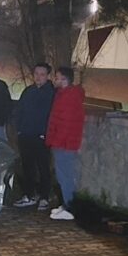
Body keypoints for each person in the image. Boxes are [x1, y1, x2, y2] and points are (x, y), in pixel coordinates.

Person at [11, 62, 55, 210]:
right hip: (26, 134)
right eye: (36, 74)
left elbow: (52, 116)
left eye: (42, 74)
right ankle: (29, 194)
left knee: (43, 167)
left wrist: (45, 133)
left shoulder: (51, 93)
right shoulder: (28, 91)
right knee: (27, 166)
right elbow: (19, 110)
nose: (38, 77)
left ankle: (44, 196)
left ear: (48, 76)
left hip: (41, 136)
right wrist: (19, 129)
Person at [44, 66, 84, 221]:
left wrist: (57, 141)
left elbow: (66, 123)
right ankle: (67, 204)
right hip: (62, 142)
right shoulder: (63, 94)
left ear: (64, 79)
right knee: (63, 175)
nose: (55, 80)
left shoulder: (70, 96)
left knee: (65, 175)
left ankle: (71, 207)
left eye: (57, 77)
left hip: (65, 143)